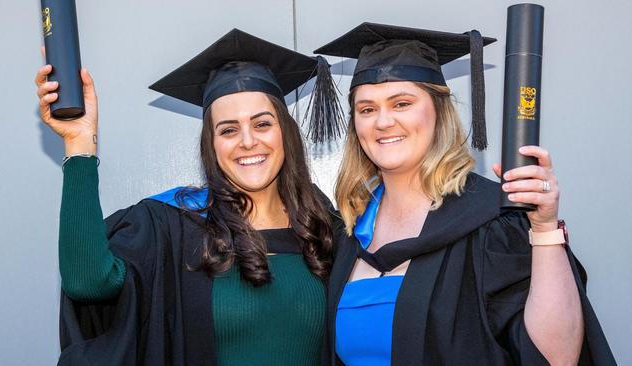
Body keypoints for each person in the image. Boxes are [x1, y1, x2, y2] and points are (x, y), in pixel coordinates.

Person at [35, 29, 344, 365]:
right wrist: (79, 147)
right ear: (211, 146)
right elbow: (86, 283)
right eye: (227, 130)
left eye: (262, 124)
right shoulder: (175, 227)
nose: (247, 141)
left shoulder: (322, 225)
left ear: (285, 132)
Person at [314, 22, 615, 365]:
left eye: (401, 103)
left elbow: (557, 357)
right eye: (367, 109)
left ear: (439, 112)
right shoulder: (348, 231)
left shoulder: (493, 221)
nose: (382, 121)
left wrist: (545, 230)